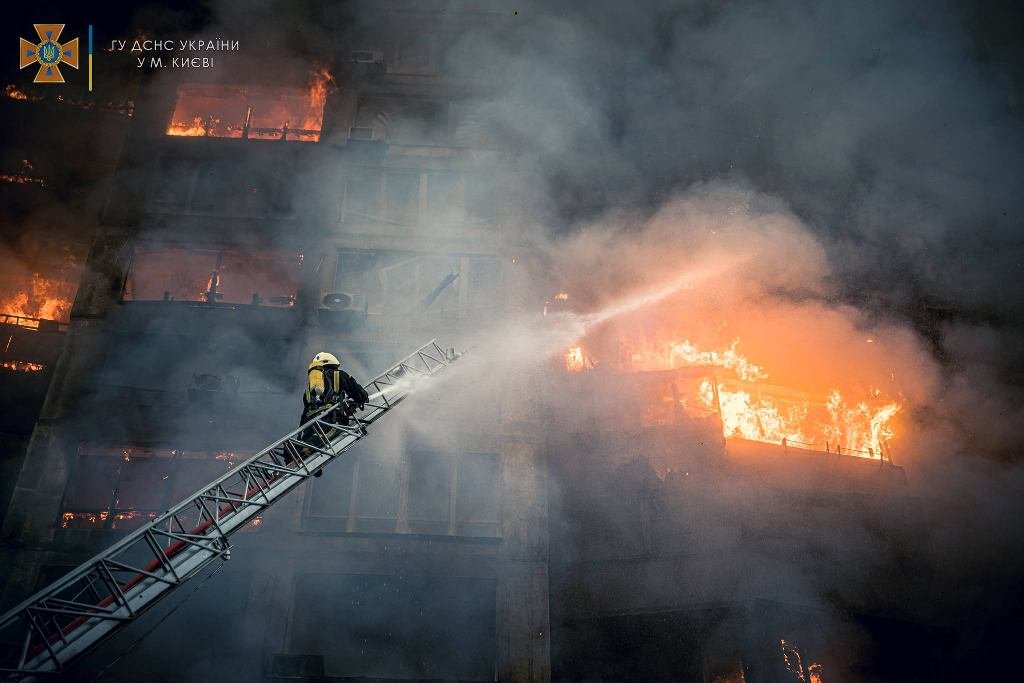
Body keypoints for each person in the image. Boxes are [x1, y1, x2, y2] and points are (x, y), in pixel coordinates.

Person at [289, 352, 370, 476]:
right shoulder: (339, 375)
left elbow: (304, 413)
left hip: (310, 424)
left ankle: (299, 452)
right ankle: (309, 451)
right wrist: (363, 398)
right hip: (330, 419)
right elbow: (357, 391)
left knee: (310, 441)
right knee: (336, 432)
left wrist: (300, 435)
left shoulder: (310, 387)